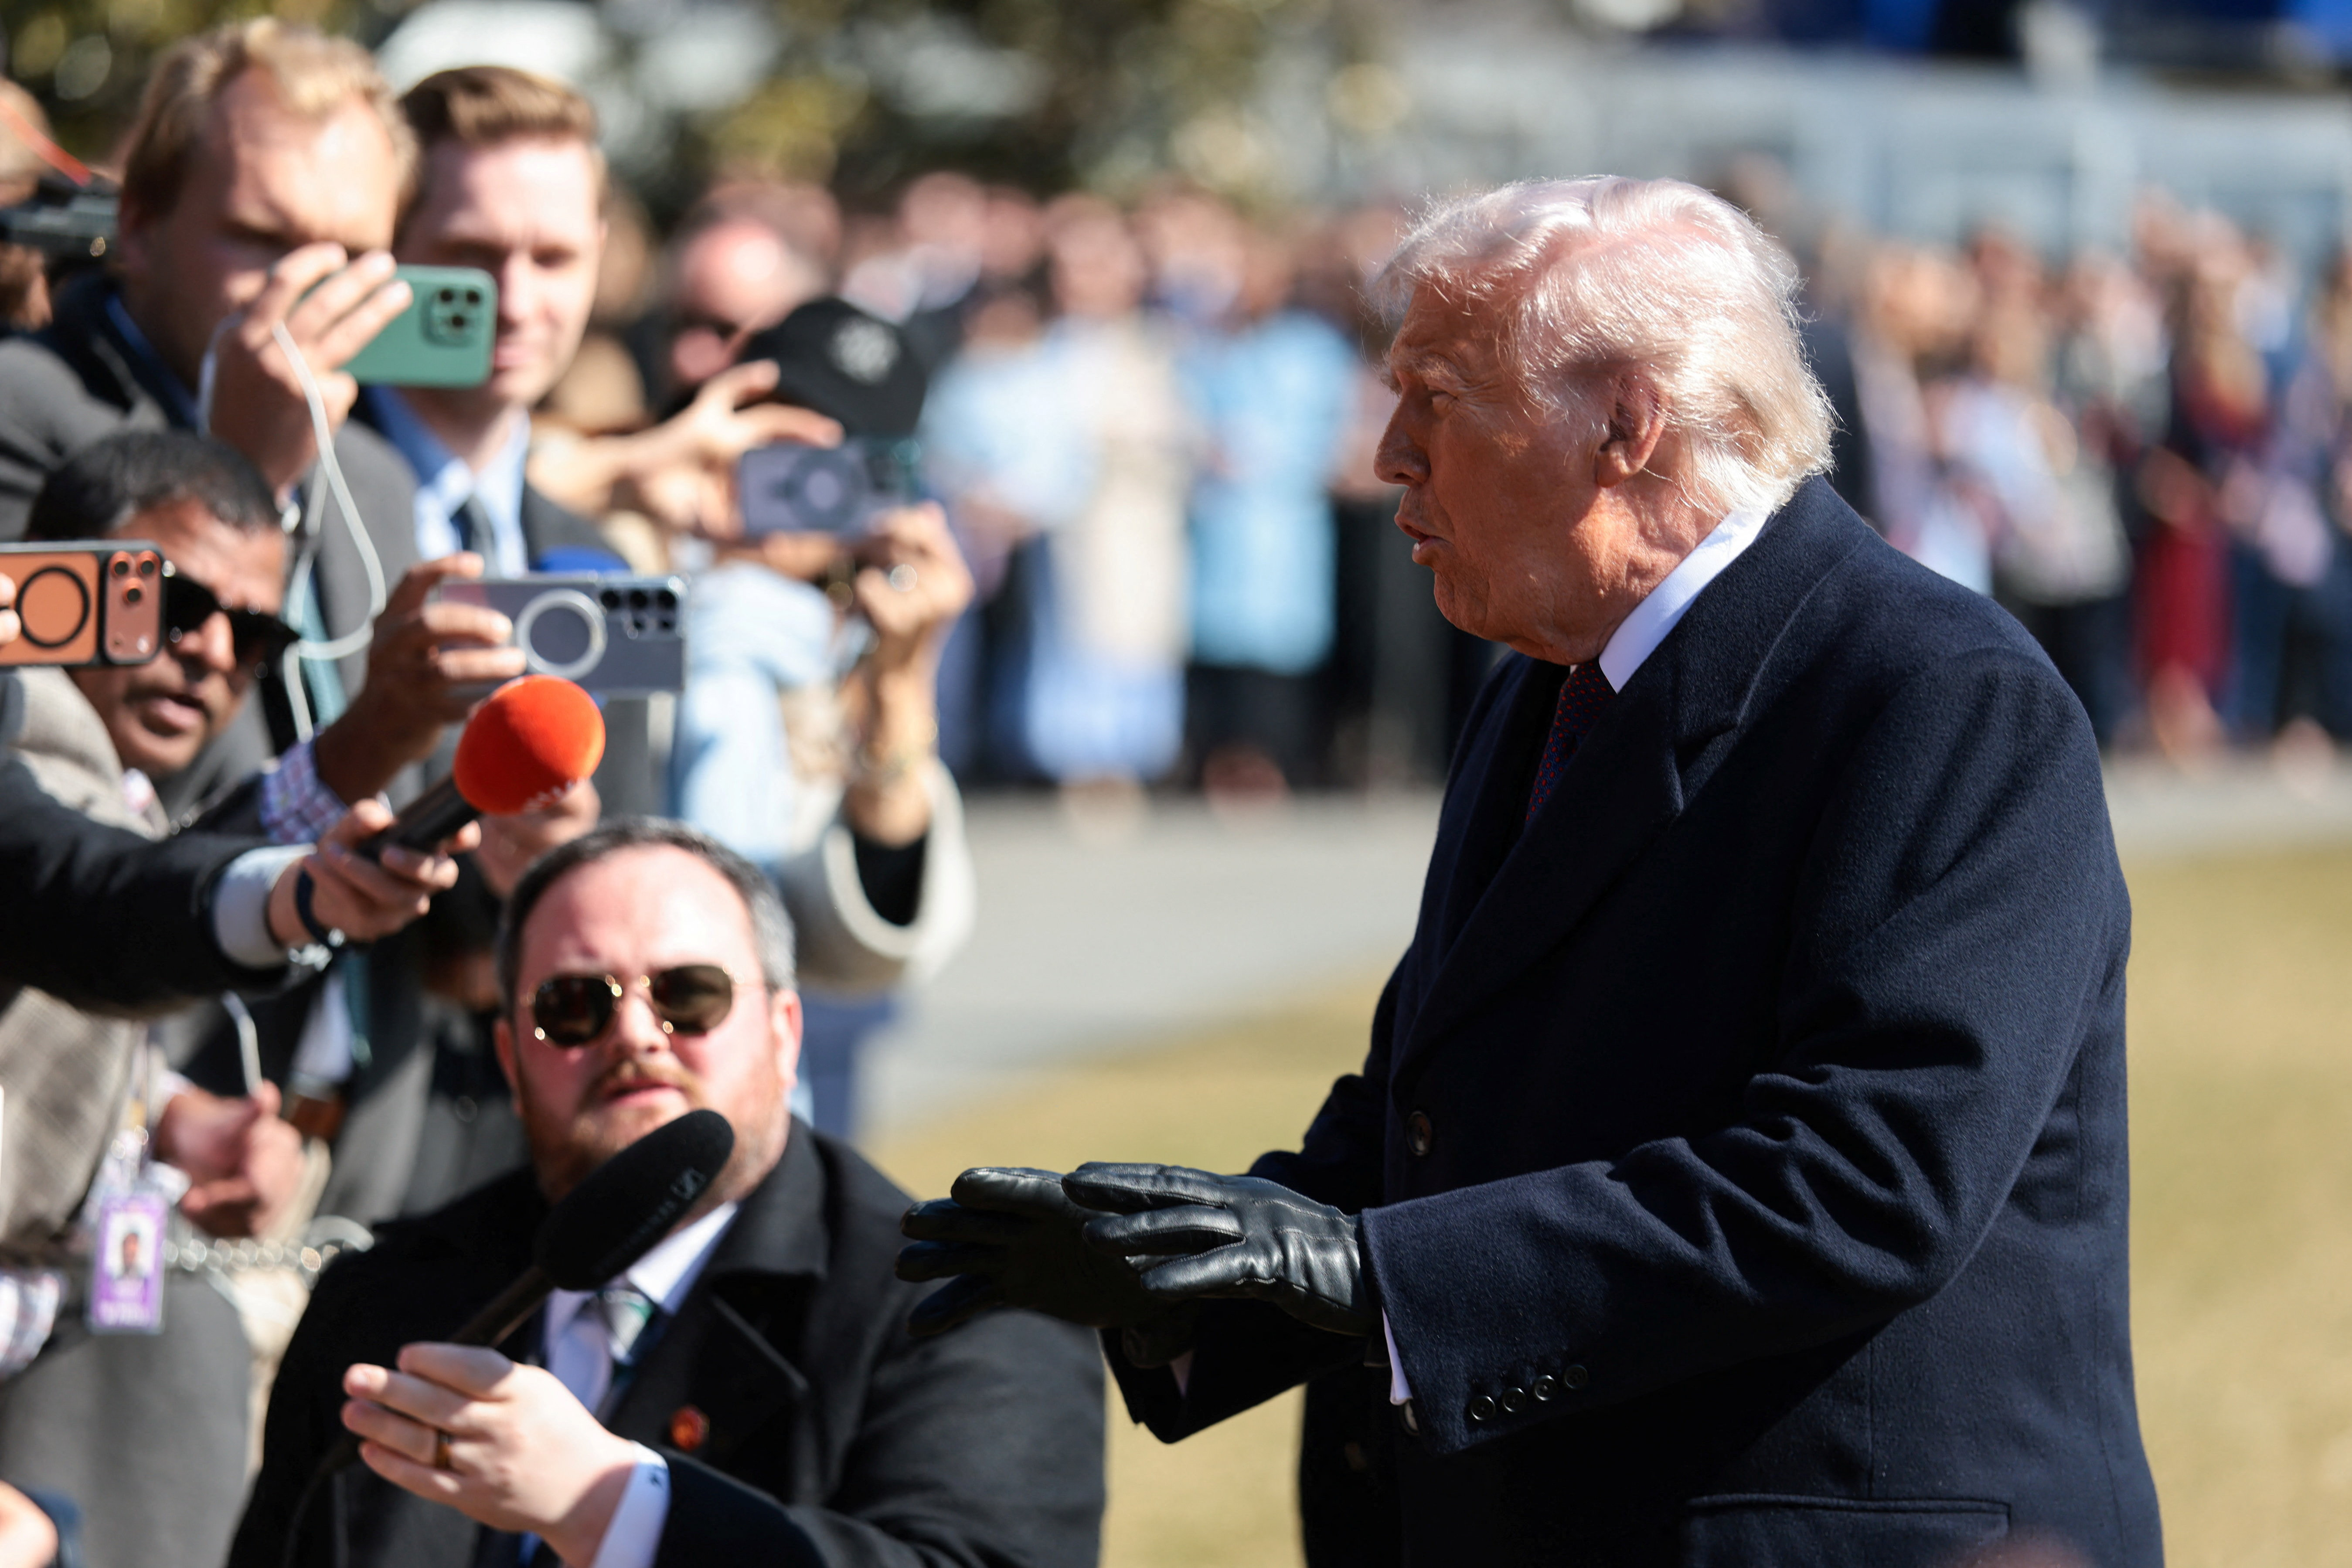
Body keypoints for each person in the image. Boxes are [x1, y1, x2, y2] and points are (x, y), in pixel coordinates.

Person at [898, 177, 2162, 1565]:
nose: (1390, 451)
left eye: (1437, 397)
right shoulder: (1547, 684)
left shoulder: (1935, 694)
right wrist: (1175, 1269)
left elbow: (1869, 1177)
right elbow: (1437, 1110)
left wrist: (1375, 1277)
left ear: (1626, 423)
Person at [232, 819, 1103, 1568]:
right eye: (574, 1004)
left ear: (784, 1034)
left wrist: (611, 1506)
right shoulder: (383, 1301)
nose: (635, 1033)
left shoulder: (965, 1302)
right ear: (511, 1061)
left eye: (690, 994)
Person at [0, 432, 475, 1568]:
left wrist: (162, 1117)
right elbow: (84, 897)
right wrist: (293, 896)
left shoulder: (107, 778)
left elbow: (118, 886)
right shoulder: (22, 717)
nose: (210, 651)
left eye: (252, 633)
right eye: (169, 603)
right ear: (44, 581)